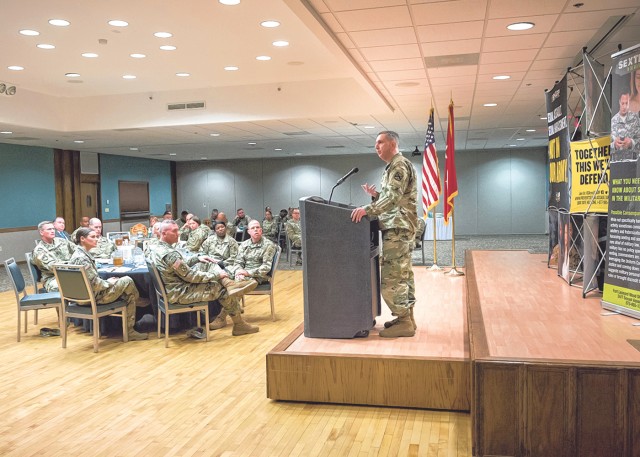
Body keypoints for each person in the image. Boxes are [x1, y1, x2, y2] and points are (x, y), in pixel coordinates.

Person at [351, 130, 418, 338]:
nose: (376, 147)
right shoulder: (394, 166)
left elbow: (394, 199)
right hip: (400, 226)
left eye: (380, 142)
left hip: (398, 229)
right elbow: (393, 197)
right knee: (403, 274)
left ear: (392, 143)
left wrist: (367, 209)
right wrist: (377, 196)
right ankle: (406, 318)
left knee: (393, 277)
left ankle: (405, 321)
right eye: (375, 144)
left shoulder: (398, 165)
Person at [149, 220, 259, 335]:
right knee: (220, 289)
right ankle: (238, 323)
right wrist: (216, 275)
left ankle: (229, 283)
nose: (179, 233)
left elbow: (182, 265)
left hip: (173, 289)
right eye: (174, 231)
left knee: (206, 263)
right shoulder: (170, 255)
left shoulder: (156, 247)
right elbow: (190, 276)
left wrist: (198, 258)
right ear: (164, 233)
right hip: (179, 292)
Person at [69, 228, 148, 340]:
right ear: (82, 239)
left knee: (127, 293)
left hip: (81, 296)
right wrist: (109, 283)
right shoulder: (82, 259)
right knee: (127, 280)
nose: (96, 239)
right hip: (91, 297)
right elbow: (95, 285)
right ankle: (131, 325)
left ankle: (133, 306)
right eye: (93, 237)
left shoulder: (79, 254)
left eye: (96, 236)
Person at [211, 220, 277, 329]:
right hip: (243, 274)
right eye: (253, 228)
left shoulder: (268, 245)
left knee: (236, 287)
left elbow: (266, 267)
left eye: (257, 227)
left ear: (261, 230)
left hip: (258, 276)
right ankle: (235, 319)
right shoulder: (244, 244)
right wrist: (238, 272)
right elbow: (238, 262)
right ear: (249, 231)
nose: (256, 230)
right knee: (223, 276)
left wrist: (247, 273)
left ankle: (222, 317)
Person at [32, 221, 77, 292]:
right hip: (53, 278)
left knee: (91, 279)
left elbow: (78, 250)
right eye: (49, 229)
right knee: (71, 285)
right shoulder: (39, 251)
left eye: (53, 229)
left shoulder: (62, 241)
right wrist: (73, 264)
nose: (52, 231)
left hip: (72, 272)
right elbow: (54, 267)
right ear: (41, 232)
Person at [610, 92, 640, 162]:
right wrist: (614, 145)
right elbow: (603, 147)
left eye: (627, 103)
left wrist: (631, 143)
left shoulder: (636, 120)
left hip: (633, 165)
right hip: (616, 165)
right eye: (622, 103)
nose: (624, 106)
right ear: (619, 102)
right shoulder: (612, 122)